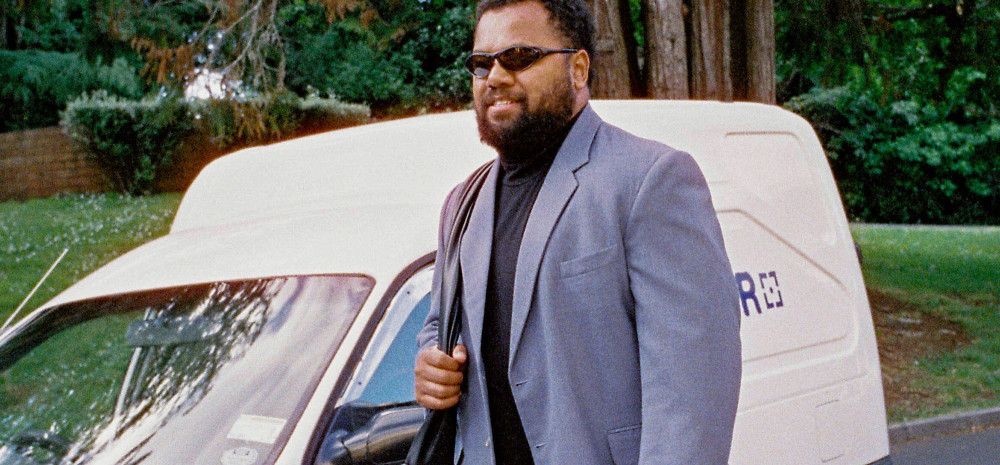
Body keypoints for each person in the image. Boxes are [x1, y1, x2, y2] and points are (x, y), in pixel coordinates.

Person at [414, 0, 742, 464]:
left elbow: (693, 395)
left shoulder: (651, 180)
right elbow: (439, 321)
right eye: (482, 63)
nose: (496, 77)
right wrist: (431, 360)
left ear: (579, 68)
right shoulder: (462, 204)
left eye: (520, 57)